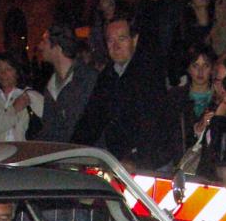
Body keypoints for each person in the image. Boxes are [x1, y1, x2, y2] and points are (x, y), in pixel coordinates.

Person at [73, 15, 178, 170]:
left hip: (152, 161)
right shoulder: (107, 77)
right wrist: (72, 150)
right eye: (110, 41)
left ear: (134, 40)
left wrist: (136, 160)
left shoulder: (149, 72)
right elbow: (92, 118)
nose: (115, 46)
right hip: (122, 161)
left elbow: (152, 124)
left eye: (121, 39)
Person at [36, 24, 98, 144]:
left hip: (85, 157)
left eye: (44, 41)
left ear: (57, 46)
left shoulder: (87, 79)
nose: (40, 46)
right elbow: (49, 129)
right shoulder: (51, 86)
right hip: (65, 157)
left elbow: (84, 127)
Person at [133, 0, 184, 86]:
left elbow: (180, 40)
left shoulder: (175, 6)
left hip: (170, 72)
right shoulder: (140, 8)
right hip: (147, 73)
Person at [0, 53, 43, 142]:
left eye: (8, 69)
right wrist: (14, 109)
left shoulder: (30, 96)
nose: (3, 74)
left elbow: (49, 121)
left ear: (18, 72)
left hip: (26, 151)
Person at [173, 44, 217, 150]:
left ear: (212, 69)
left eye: (205, 66)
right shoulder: (176, 96)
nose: (200, 71)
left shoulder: (218, 98)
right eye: (195, 66)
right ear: (188, 68)